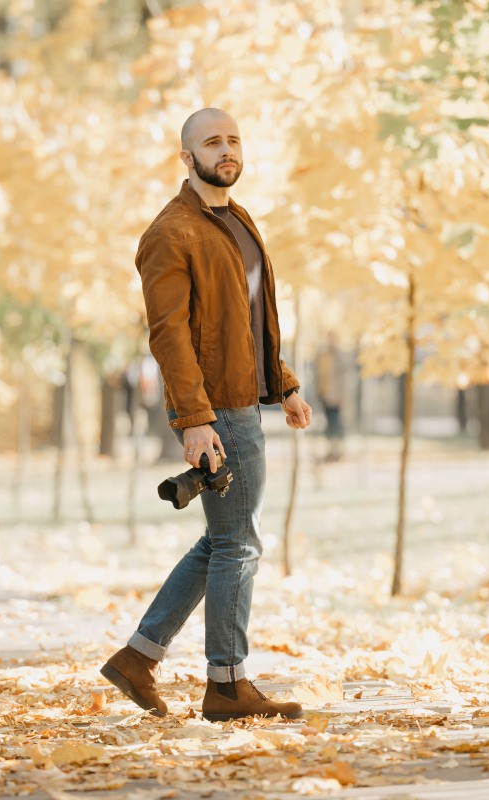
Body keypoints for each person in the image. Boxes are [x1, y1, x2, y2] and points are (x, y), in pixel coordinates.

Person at [100, 108, 313, 721]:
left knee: (224, 539)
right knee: (239, 544)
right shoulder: (171, 233)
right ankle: (226, 684)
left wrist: (284, 384)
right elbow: (168, 335)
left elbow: (249, 319)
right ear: (186, 157)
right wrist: (194, 419)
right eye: (212, 142)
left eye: (233, 140)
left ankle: (138, 658)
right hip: (216, 409)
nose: (226, 150)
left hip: (242, 399)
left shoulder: (237, 220)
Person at [315, 333, 347, 462]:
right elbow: (320, 376)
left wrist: (341, 395)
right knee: (328, 424)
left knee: (336, 424)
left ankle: (337, 451)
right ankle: (330, 451)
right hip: (325, 396)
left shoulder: (340, 357)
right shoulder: (323, 356)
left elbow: (343, 380)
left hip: (336, 397)